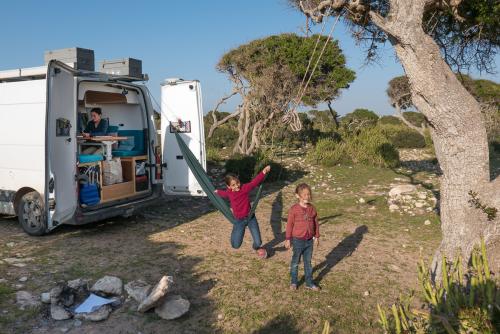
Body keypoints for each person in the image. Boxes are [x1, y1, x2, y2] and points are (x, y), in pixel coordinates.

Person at [215, 166, 271, 258]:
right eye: (233, 185)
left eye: (237, 183)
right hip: (239, 220)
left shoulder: (244, 188)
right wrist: (215, 191)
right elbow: (223, 194)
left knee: (258, 242)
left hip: (250, 217)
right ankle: (235, 231)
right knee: (235, 245)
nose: (237, 186)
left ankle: (256, 248)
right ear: (228, 186)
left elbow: (254, 182)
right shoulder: (229, 192)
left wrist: (263, 172)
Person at [285, 183, 320, 291]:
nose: (307, 197)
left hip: (309, 241)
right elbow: (289, 224)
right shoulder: (294, 209)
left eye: (308, 194)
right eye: (304, 194)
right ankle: (294, 282)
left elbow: (316, 223)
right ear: (297, 195)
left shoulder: (312, 209)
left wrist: (317, 236)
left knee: (308, 263)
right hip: (297, 240)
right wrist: (288, 238)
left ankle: (309, 282)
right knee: (295, 261)